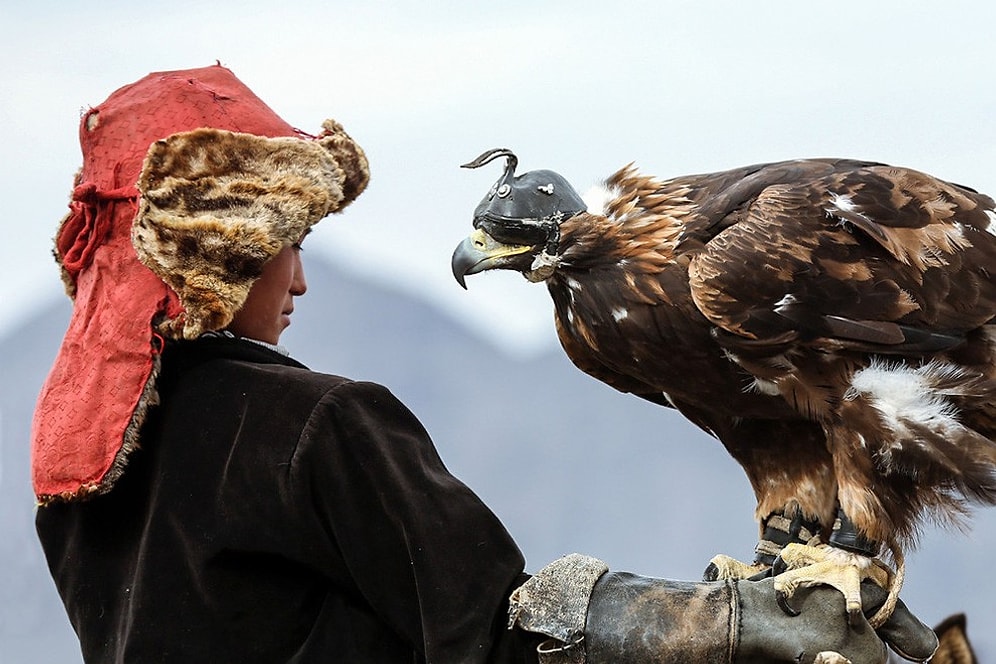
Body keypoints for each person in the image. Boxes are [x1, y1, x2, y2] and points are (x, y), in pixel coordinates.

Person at [32, 64, 938, 664]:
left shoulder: (85, 462)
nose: (300, 276)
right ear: (222, 248)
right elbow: (496, 633)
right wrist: (730, 631)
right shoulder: (315, 427)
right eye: (287, 241)